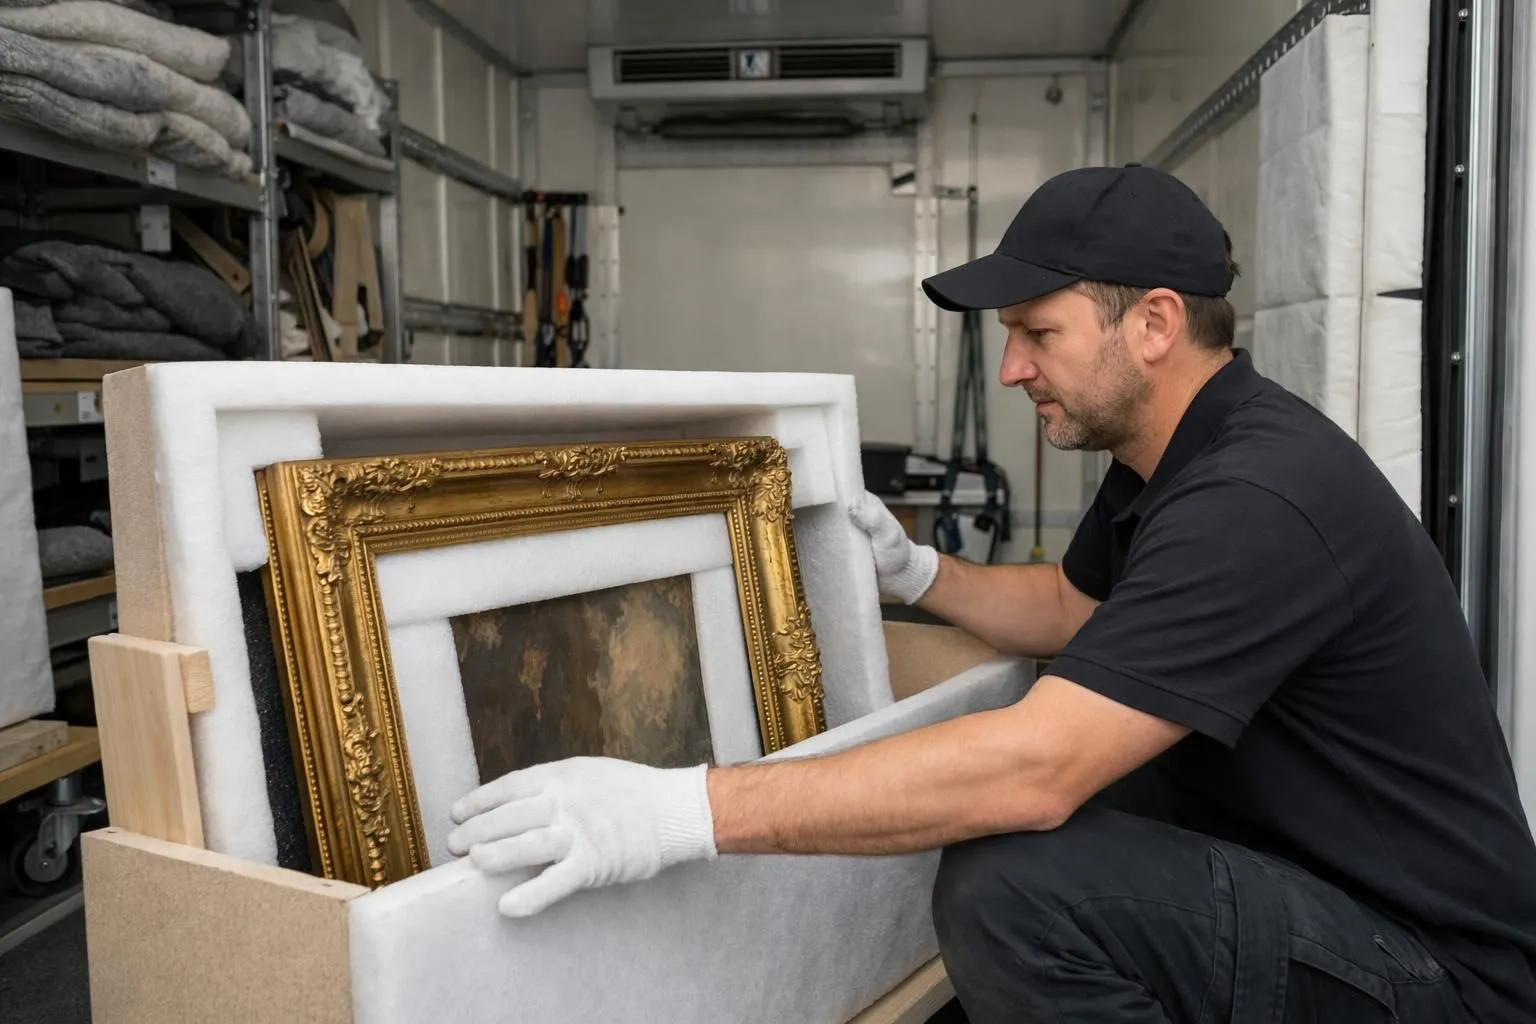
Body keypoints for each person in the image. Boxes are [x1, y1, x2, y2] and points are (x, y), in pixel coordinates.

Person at [444, 164, 1536, 1022]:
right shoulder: (1178, 456)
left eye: (1037, 333)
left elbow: (1037, 770)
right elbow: (1074, 609)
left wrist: (680, 810)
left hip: (1433, 978)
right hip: (1324, 889)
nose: (1013, 367)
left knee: (1013, 883)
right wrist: (920, 573)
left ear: (1153, 324)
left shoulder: (1257, 497)